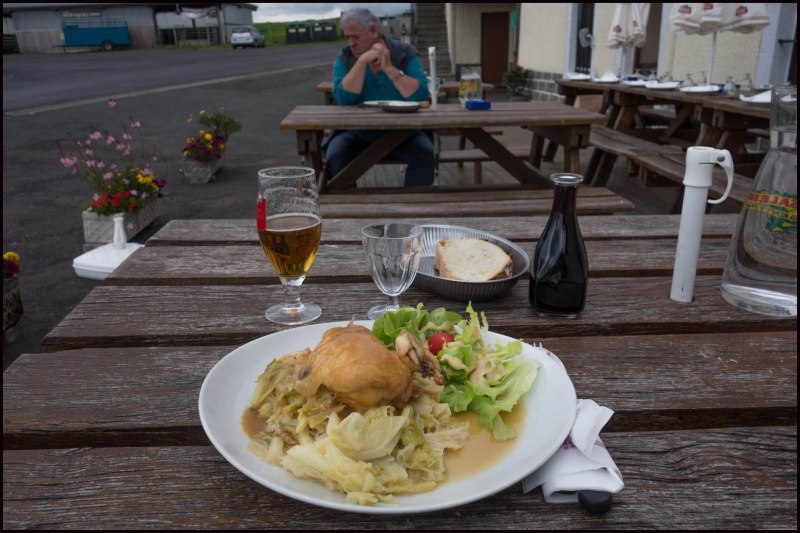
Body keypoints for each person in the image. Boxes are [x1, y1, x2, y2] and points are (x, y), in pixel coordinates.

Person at [324, 8, 434, 187]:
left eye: (356, 37)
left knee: (425, 155)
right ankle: (350, 208)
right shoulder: (344, 59)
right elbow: (344, 100)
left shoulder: (405, 53)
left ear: (374, 31)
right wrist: (361, 62)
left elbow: (420, 96)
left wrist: (389, 68)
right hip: (357, 133)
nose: (351, 43)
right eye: (348, 37)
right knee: (335, 156)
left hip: (405, 133)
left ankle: (414, 209)